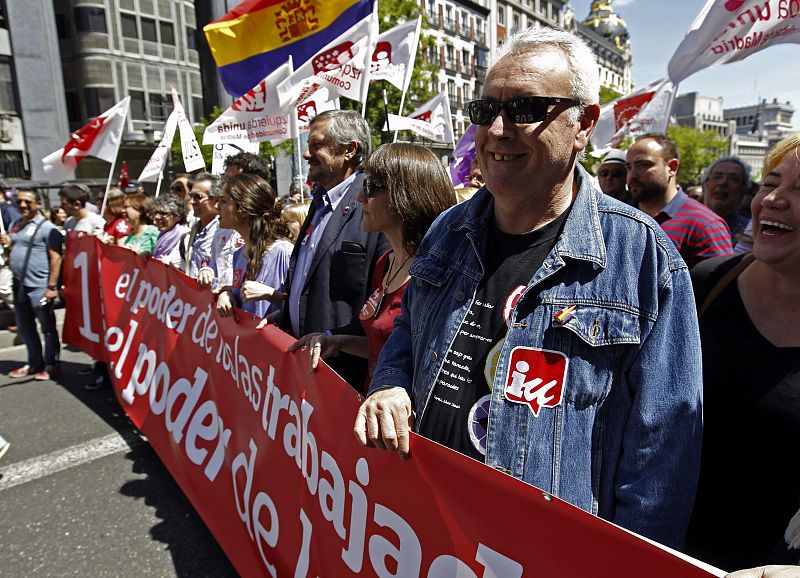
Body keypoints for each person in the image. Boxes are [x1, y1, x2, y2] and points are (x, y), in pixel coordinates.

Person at [354, 27, 703, 549]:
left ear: (583, 122)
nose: (496, 130)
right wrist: (389, 383)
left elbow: (662, 451)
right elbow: (408, 333)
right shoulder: (448, 231)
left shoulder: (643, 259)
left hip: (542, 553)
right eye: (485, 109)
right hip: (420, 532)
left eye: (525, 108)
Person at [684, 133, 800, 571]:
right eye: (770, 183)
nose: (773, 200)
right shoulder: (707, 284)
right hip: (662, 549)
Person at [290, 143, 456, 393]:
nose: (359, 198)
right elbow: (380, 346)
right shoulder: (384, 262)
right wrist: (337, 341)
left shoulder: (436, 277)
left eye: (369, 187)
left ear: (406, 195)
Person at [276, 110, 389, 387]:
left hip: (344, 374)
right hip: (304, 365)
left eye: (316, 145)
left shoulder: (374, 204)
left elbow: (382, 299)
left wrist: (337, 340)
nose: (306, 154)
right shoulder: (318, 201)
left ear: (348, 150)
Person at [625, 134, 733, 268]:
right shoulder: (619, 217)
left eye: (644, 165)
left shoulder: (706, 225)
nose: (633, 175)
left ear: (672, 167)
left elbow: (719, 284)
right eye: (629, 167)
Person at [0, 189, 63, 380]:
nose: (22, 205)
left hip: (39, 287)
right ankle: (34, 363)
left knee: (47, 328)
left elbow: (56, 258)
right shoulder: (15, 225)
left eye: (27, 202)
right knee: (26, 327)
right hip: (20, 285)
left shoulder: (47, 228)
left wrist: (51, 287)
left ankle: (52, 364)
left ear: (37, 203)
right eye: (19, 202)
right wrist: (9, 244)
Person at [215, 174, 292, 319]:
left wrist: (271, 294)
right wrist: (227, 294)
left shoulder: (284, 253)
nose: (217, 206)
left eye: (223, 201)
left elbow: (302, 308)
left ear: (243, 210)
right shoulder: (238, 254)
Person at [702, 156, 752, 242]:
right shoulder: (683, 222)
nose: (723, 182)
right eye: (717, 176)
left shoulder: (750, 233)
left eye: (733, 178)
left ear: (744, 190)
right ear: (704, 185)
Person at [183, 173, 220, 277]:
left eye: (198, 197)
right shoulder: (194, 229)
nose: (191, 202)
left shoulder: (225, 231)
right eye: (191, 196)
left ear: (216, 200)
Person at [150, 194, 190, 269]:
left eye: (163, 213)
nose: (157, 217)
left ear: (178, 217)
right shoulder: (162, 235)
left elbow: (192, 271)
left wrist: (172, 268)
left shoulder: (186, 238)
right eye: (156, 213)